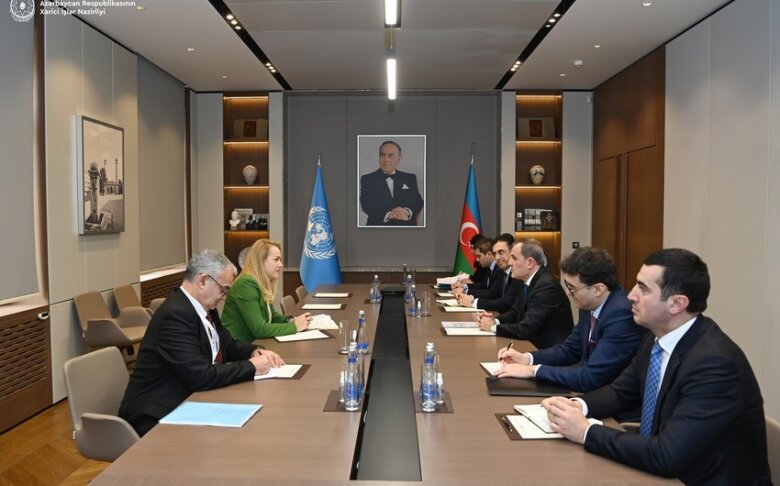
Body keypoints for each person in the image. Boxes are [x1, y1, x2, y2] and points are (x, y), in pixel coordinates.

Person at [541, 249, 771, 484]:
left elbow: (667, 455)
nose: (631, 295)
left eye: (643, 288)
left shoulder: (715, 365)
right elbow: (621, 392)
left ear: (677, 304)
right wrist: (575, 406)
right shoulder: (657, 337)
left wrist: (585, 432)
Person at [119, 249, 285, 437]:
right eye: (224, 289)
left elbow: (227, 345)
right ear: (203, 281)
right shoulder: (175, 315)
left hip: (192, 400)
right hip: (157, 414)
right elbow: (200, 375)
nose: (224, 296)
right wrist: (251, 366)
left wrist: (254, 351)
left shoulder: (205, 307)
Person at [495, 247, 646, 392]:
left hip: (608, 400)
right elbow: (569, 350)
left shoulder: (621, 315)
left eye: (572, 288)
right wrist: (526, 358)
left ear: (598, 289)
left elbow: (590, 377)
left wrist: (532, 370)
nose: (568, 293)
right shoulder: (589, 303)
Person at [477, 238, 572, 349]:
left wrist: (493, 327)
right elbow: (515, 312)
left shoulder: (546, 287)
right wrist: (495, 320)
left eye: (514, 258)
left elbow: (526, 329)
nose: (510, 263)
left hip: (548, 351)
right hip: (531, 344)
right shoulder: (527, 280)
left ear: (530, 263)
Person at [222, 239, 312, 341]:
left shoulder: (259, 282)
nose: (280, 264)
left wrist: (291, 320)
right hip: (238, 347)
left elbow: (271, 316)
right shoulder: (246, 284)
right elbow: (259, 329)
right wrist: (294, 327)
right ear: (261, 261)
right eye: (276, 259)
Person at [359, 140, 423, 226]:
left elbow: (417, 201)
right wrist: (389, 214)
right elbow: (366, 205)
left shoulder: (409, 178)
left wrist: (407, 211)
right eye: (382, 155)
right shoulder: (367, 179)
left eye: (390, 155)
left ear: (399, 158)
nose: (386, 159)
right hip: (378, 228)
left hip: (407, 228)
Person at [454, 233, 522, 313]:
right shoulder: (502, 270)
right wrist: (468, 292)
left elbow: (505, 303)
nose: (497, 258)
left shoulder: (517, 275)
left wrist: (473, 302)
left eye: (501, 252)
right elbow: (492, 291)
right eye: (495, 254)